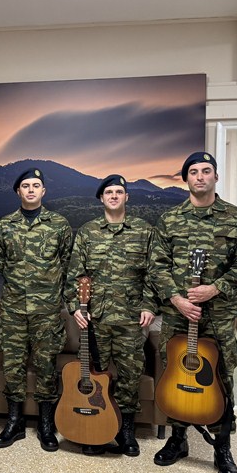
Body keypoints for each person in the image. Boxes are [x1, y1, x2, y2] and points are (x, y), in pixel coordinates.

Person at [148, 152, 237, 473]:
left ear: (215, 177)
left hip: (218, 315)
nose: (199, 177)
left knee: (220, 374)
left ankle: (222, 446)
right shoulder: (169, 220)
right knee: (175, 372)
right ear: (186, 179)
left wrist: (215, 289)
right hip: (178, 314)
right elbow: (157, 266)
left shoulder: (236, 219)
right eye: (193, 172)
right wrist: (177, 299)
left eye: (206, 171)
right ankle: (178, 439)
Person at [65, 175, 157, 456]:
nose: (114, 196)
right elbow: (75, 274)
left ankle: (126, 430)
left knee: (130, 374)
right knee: (95, 374)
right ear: (101, 199)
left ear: (126, 197)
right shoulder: (88, 232)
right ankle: (95, 428)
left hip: (131, 318)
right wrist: (75, 307)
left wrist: (149, 305)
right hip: (96, 320)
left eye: (119, 191)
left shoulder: (144, 231)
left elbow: (155, 273)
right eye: (109, 192)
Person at [0, 168, 73, 451]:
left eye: (36, 185)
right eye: (25, 186)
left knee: (46, 367)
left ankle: (46, 425)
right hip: (13, 309)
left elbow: (66, 262)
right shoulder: (5, 225)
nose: (30, 190)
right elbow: (1, 262)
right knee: (12, 366)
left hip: (46, 310)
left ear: (43, 191)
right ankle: (14, 423)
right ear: (18, 191)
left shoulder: (59, 225)